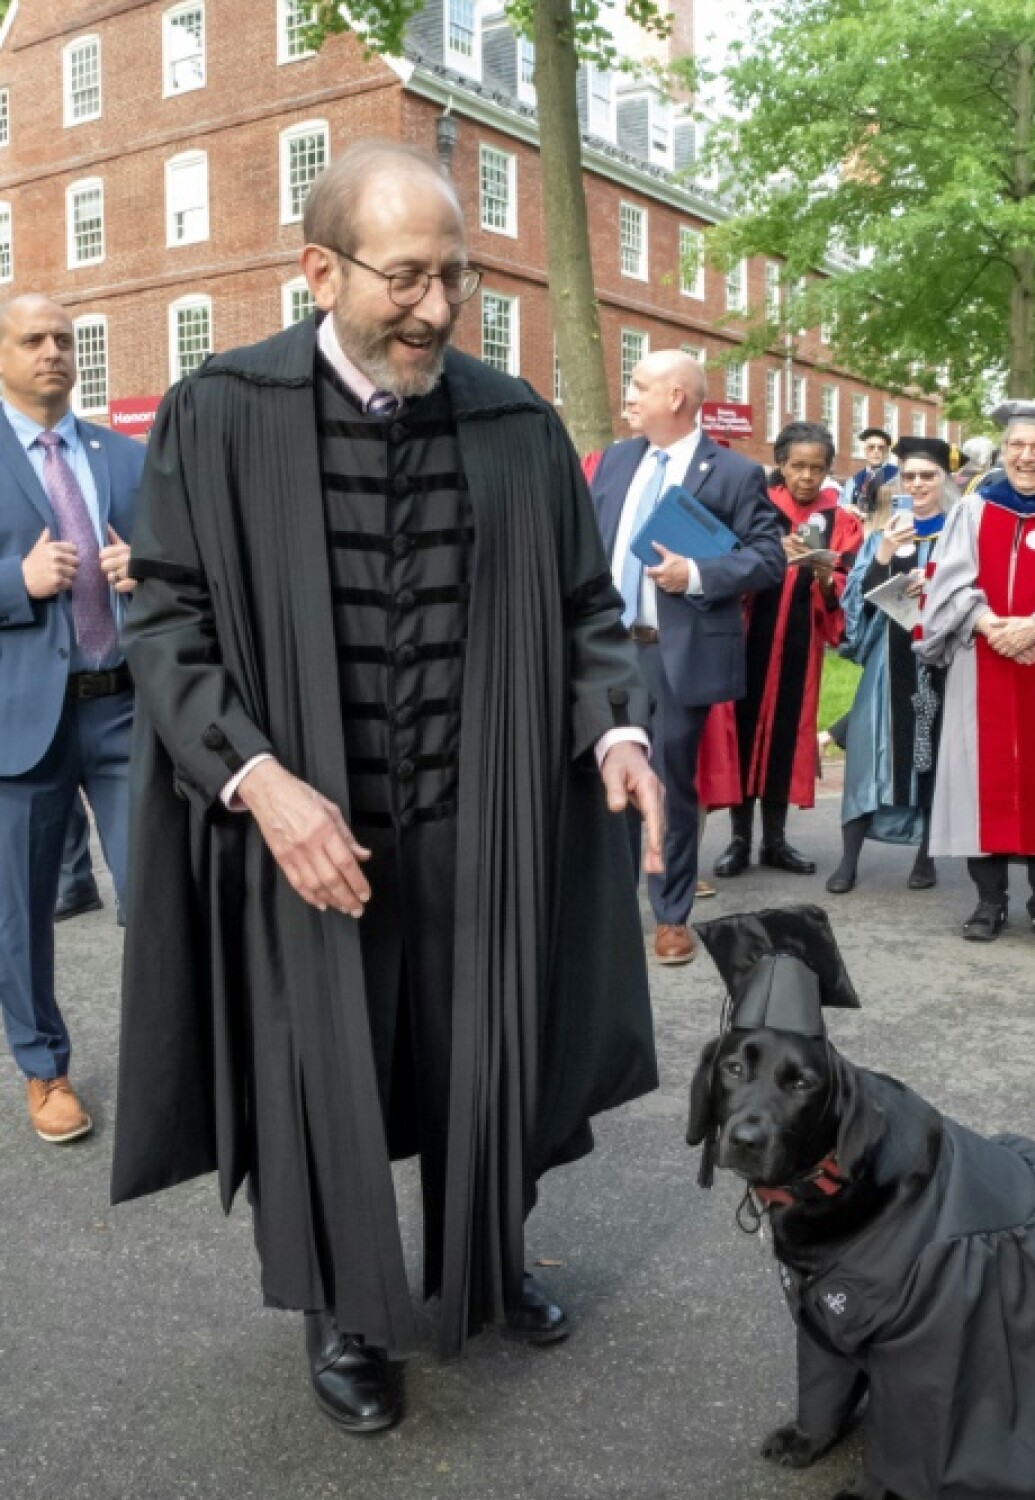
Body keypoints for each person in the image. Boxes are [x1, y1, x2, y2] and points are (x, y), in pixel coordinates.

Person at [113, 140, 663, 1433]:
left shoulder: (514, 420)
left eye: (455, 278)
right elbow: (165, 623)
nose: (437, 307)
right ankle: (347, 1312)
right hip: (309, 818)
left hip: (483, 815)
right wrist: (257, 780)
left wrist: (612, 735)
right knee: (327, 1067)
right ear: (321, 269)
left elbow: (588, 614)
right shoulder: (222, 412)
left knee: (486, 1047)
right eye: (408, 278)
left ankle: (489, 1257)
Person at [0, 294, 144, 1142]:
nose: (52, 351)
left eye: (63, 338)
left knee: (157, 892)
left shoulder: (123, 455)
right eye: (32, 339)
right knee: (20, 911)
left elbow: (186, 565)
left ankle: (175, 1058)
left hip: (125, 710)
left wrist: (150, 567)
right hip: (23, 724)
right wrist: (16, 583)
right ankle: (43, 1068)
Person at [588, 351, 785, 966]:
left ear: (676, 397)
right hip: (604, 651)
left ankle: (670, 915)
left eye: (640, 385)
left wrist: (694, 573)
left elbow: (768, 559)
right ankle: (606, 913)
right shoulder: (617, 460)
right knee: (601, 782)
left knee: (670, 785)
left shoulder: (731, 473)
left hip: (671, 657)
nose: (630, 394)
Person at [916, 401, 1035, 945]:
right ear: (1004, 452)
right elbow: (946, 582)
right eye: (1017, 446)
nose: (1026, 457)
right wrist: (986, 624)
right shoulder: (976, 508)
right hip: (981, 659)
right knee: (982, 776)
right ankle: (988, 902)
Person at [700, 420, 863, 878]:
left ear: (829, 470)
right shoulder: (755, 510)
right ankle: (738, 840)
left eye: (817, 468)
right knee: (745, 734)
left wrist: (826, 577)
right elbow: (725, 572)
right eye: (797, 466)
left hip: (798, 647)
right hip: (748, 640)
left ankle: (775, 841)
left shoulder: (841, 521)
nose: (807, 477)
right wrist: (771, 557)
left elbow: (845, 597)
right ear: (780, 465)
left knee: (785, 740)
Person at [827, 438, 957, 893]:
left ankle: (926, 857)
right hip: (886, 658)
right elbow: (856, 601)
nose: (918, 484)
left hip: (940, 659)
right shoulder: (884, 535)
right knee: (867, 753)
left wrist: (936, 583)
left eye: (928, 476)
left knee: (933, 755)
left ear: (945, 480)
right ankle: (848, 859)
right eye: (910, 477)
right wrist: (883, 555)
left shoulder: (958, 535)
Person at [841, 427, 899, 516]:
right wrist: (848, 508)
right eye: (871, 447)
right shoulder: (854, 481)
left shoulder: (897, 476)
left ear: (887, 452)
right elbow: (842, 504)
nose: (876, 451)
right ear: (864, 451)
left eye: (881, 448)